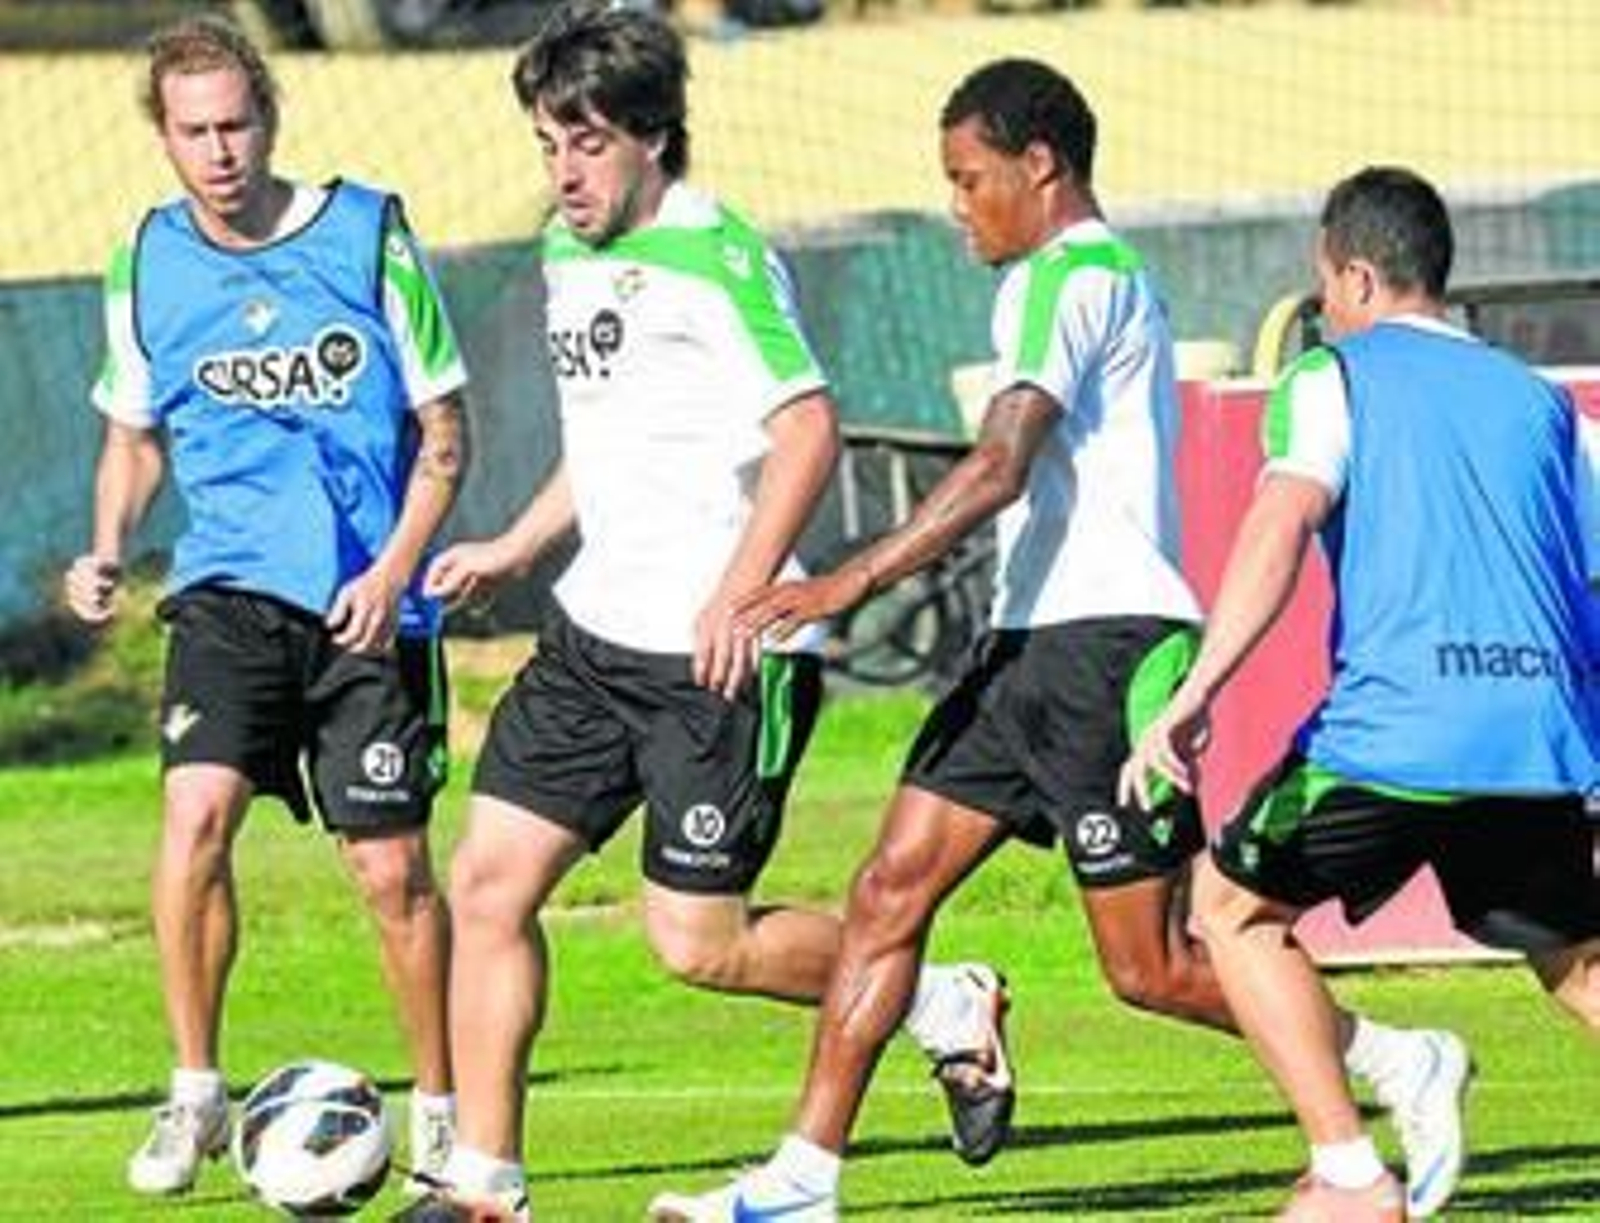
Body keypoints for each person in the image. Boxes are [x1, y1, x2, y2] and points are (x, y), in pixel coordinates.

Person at [649, 65, 1470, 1223]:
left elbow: (998, 464)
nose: (956, 205)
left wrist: (851, 575)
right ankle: (802, 1180)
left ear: (1040, 167)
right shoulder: (1049, 279)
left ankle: (1392, 1056)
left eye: (968, 178)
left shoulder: (1075, 276)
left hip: (1109, 646)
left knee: (1150, 967)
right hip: (1022, 644)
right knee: (887, 889)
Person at [394, 5, 1011, 1220]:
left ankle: (942, 998)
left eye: (586, 144)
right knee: (486, 884)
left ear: (653, 138)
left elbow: (806, 428)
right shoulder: (570, 258)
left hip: (726, 657)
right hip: (592, 640)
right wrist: (516, 544)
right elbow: (611, 443)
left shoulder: (719, 252)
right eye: (546, 145)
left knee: (698, 944)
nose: (563, 173)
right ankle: (484, 1181)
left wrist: (739, 588)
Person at [1122, 165, 1600, 1222]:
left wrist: (1199, 686)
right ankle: (1393, 1105)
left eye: (1325, 287)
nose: (1326, 308)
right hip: (1533, 731)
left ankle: (1348, 1171)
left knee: (1230, 909)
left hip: (1393, 732)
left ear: (1356, 275)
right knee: (1574, 962)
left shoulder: (1332, 376)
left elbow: (1279, 524)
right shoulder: (1541, 403)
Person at [62, 14, 467, 1201]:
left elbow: (446, 433)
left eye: (236, 123)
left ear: (270, 118)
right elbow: (132, 438)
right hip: (226, 595)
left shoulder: (368, 233)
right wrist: (105, 543)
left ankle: (442, 1111)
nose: (219, 149)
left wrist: (394, 567)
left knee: (391, 872)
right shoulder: (146, 255)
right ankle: (195, 1093)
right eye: (194, 131)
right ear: (164, 138)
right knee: (192, 821)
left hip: (364, 607)